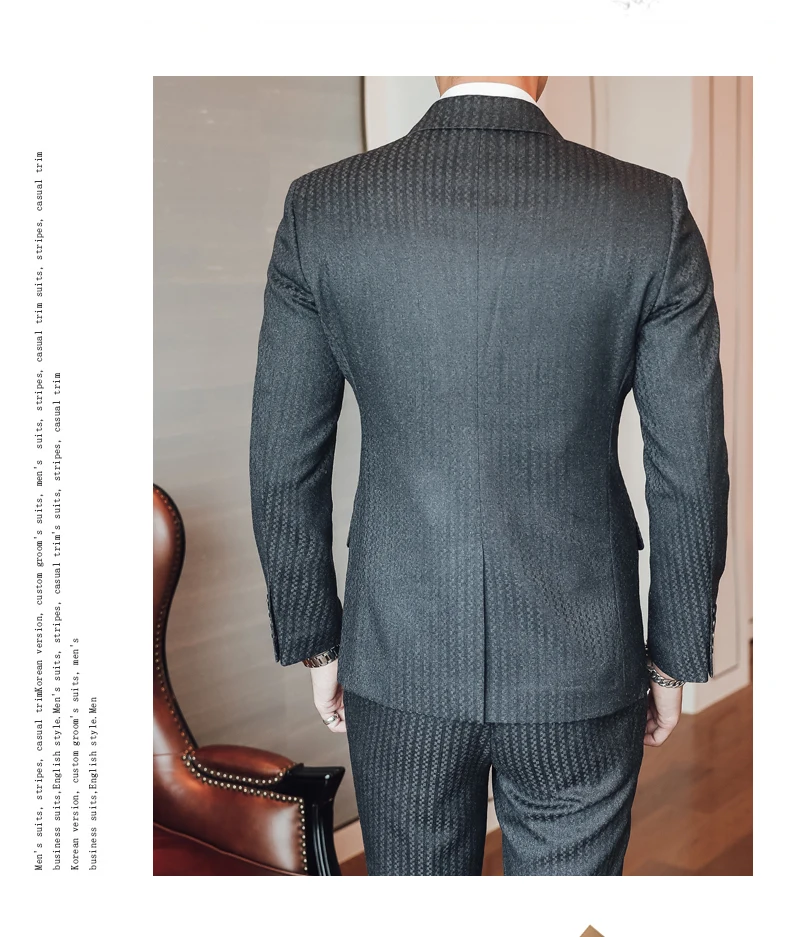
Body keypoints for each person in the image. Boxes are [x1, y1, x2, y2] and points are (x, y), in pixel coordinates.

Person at [249, 76, 729, 875]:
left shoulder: (324, 207)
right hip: (582, 656)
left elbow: (284, 457)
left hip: (398, 652)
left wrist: (317, 642)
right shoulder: (650, 211)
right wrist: (673, 653)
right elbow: (689, 465)